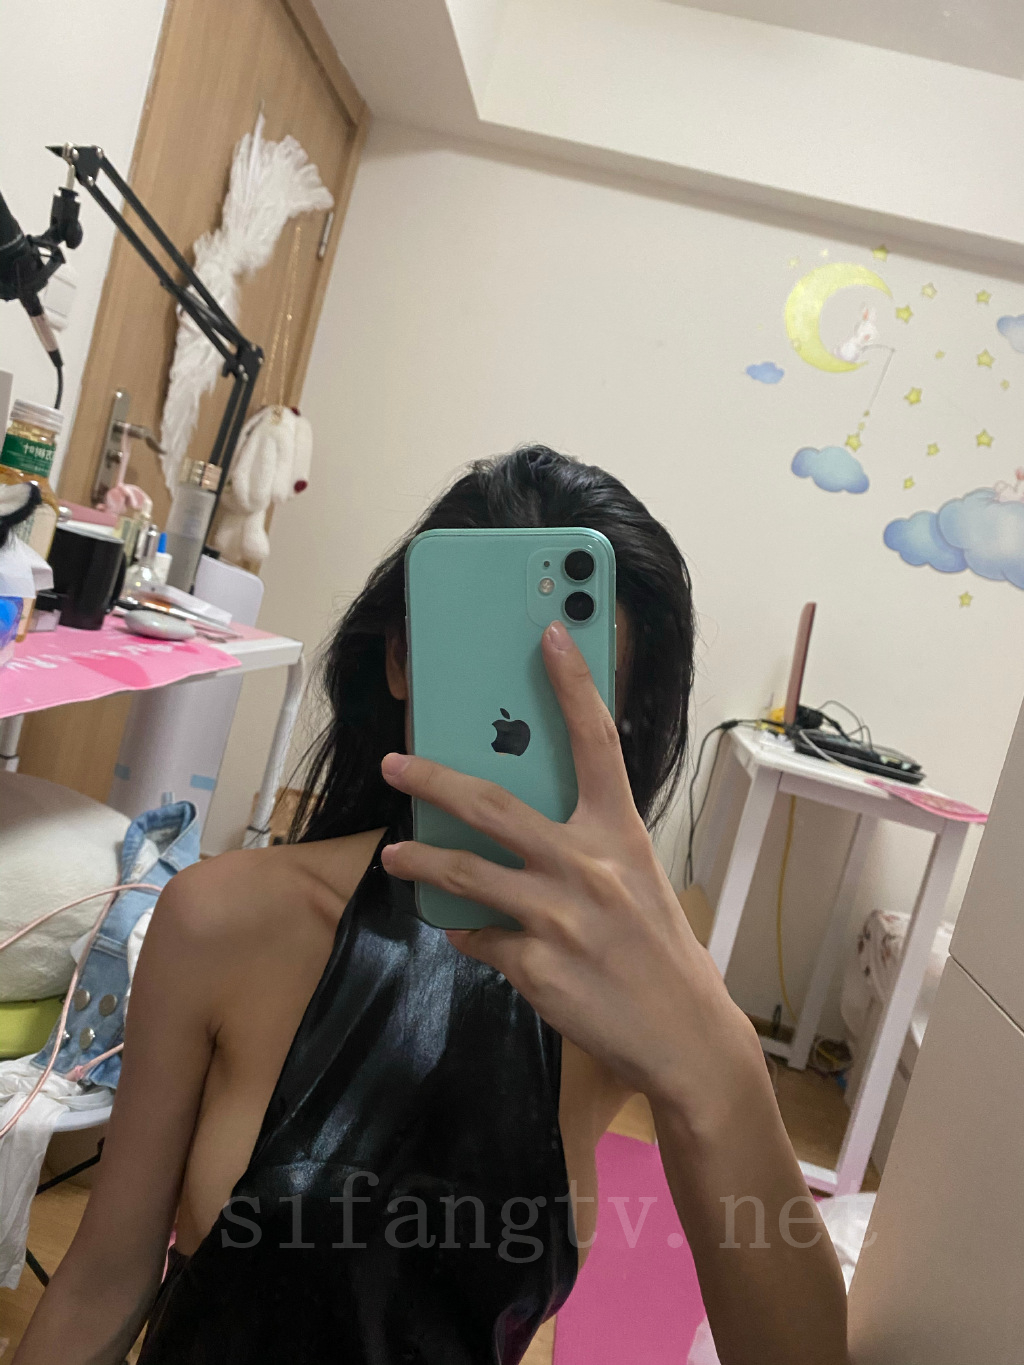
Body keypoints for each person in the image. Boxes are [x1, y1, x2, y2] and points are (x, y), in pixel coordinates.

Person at [14, 447, 847, 1365]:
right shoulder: (221, 920)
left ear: (618, 718)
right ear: (401, 659)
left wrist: (720, 1063)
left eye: (570, 687)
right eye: (483, 666)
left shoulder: (624, 1003)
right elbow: (103, 1279)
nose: (510, 724)